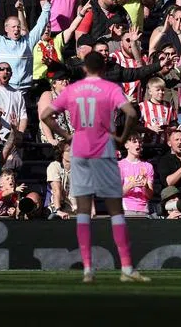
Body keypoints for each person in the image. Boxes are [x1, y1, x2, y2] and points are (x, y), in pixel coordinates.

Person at [39, 51, 151, 283]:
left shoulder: (72, 90)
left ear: (85, 68)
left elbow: (46, 115)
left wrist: (66, 135)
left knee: (82, 210)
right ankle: (127, 268)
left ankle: (88, 269)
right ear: (103, 68)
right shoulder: (110, 88)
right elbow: (131, 112)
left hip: (80, 149)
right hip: (104, 149)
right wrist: (122, 137)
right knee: (115, 210)